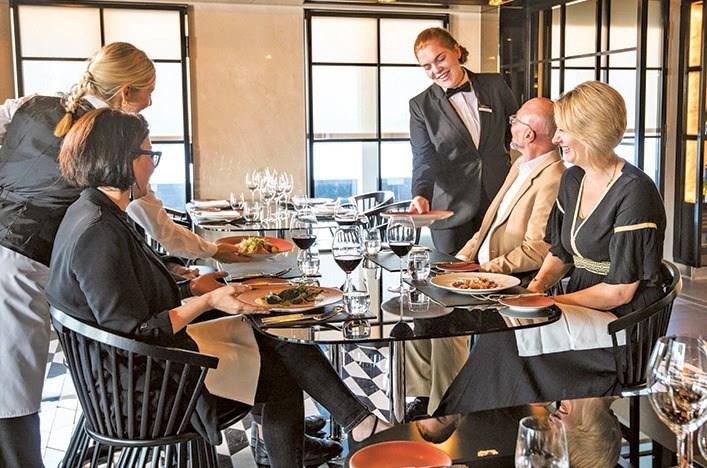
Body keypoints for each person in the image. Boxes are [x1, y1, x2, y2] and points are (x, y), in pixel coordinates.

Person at [46, 108, 390, 467]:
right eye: (150, 154)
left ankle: (358, 423)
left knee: (270, 326)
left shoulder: (92, 211)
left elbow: (128, 288)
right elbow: (139, 329)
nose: (153, 165)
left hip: (133, 369)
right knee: (280, 374)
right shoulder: (99, 233)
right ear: (124, 159)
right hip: (145, 391)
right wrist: (209, 299)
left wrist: (193, 286)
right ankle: (360, 424)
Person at [435, 81, 667, 415]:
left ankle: (455, 420)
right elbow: (560, 252)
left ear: (591, 132)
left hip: (621, 324)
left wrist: (550, 301)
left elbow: (620, 292)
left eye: (564, 130)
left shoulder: (635, 192)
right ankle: (474, 422)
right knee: (505, 326)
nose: (556, 139)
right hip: (582, 306)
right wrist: (533, 290)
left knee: (508, 339)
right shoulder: (573, 180)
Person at [405, 97, 565, 420]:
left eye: (515, 120)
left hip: (512, 284)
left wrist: (484, 270)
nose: (510, 125)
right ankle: (423, 394)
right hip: (482, 273)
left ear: (530, 134)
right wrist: (461, 260)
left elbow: (539, 248)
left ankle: (448, 409)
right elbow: (487, 226)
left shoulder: (554, 177)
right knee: (418, 301)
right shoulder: (519, 165)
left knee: (446, 322)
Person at [409, 27, 518, 254]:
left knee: (497, 270)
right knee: (452, 273)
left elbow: (513, 129)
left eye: (440, 59)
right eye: (427, 66)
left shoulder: (495, 85)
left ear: (456, 51)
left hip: (498, 200)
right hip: (451, 209)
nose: (436, 70)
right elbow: (423, 158)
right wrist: (421, 194)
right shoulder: (421, 106)